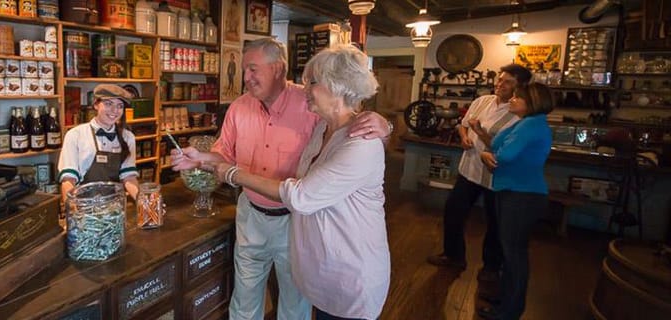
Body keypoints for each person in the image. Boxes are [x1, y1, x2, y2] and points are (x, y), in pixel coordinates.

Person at [170, 38, 392, 320]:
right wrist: (200, 159)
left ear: (278, 68)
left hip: (295, 223)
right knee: (244, 296)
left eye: (253, 69)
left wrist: (385, 127)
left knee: (294, 301)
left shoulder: (311, 106)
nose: (246, 78)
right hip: (251, 215)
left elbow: (353, 130)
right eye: (244, 70)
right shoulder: (241, 108)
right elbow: (223, 154)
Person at [427, 64, 532, 283]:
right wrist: (464, 135)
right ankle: (453, 255)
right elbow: (463, 124)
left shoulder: (519, 114)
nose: (500, 84)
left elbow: (505, 149)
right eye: (500, 79)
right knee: (453, 212)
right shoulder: (482, 101)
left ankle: (491, 268)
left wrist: (479, 132)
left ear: (520, 86)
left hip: (496, 178)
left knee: (495, 224)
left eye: (507, 82)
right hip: (469, 170)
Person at [477, 83, 554, 320]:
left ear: (531, 102)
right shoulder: (524, 123)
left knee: (514, 255)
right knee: (511, 252)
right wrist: (488, 152)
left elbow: (504, 155)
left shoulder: (531, 124)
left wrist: (488, 155)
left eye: (517, 98)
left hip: (522, 195)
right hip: (515, 192)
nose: (511, 99)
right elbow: (497, 143)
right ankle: (507, 298)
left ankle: (510, 310)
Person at [57, 84, 139, 202]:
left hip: (114, 206)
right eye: (108, 104)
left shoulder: (128, 137)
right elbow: (68, 180)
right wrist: (72, 210)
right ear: (96, 104)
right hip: (83, 206)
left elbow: (129, 177)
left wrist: (143, 202)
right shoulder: (75, 135)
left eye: (119, 106)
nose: (114, 110)